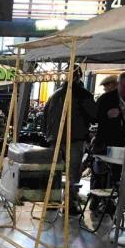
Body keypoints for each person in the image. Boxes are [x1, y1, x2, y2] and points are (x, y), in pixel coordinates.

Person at [43, 65, 98, 214]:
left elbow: (45, 116)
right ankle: (70, 204)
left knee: (54, 172)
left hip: (55, 140)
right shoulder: (83, 94)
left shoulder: (55, 95)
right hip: (74, 140)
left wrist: (48, 136)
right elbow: (94, 116)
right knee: (73, 173)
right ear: (79, 76)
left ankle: (52, 201)